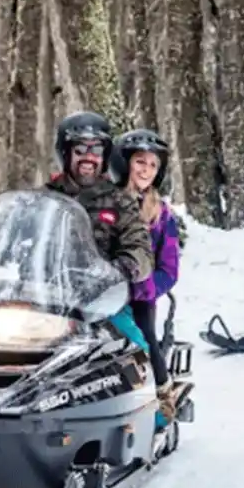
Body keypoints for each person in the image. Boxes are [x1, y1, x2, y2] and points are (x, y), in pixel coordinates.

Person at [45, 111, 154, 350]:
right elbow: (19, 236)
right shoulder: (46, 197)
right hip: (45, 296)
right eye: (80, 150)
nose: (88, 158)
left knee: (137, 353)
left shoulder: (119, 201)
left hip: (101, 300)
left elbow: (140, 249)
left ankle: (155, 380)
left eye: (96, 150)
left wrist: (117, 270)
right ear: (66, 153)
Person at [109, 128, 185, 428]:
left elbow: (170, 267)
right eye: (140, 161)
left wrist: (146, 287)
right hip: (100, 291)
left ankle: (161, 396)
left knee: (143, 341)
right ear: (126, 162)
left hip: (139, 295)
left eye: (153, 165)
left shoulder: (161, 214)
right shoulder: (105, 201)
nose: (146, 170)